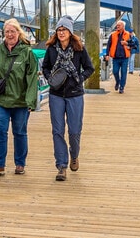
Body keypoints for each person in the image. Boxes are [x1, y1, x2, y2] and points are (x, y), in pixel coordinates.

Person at [0, 18, 39, 178]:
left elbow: (32, 78)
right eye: (7, 31)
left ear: (19, 33)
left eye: (13, 31)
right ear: (3, 34)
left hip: (20, 101)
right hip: (0, 100)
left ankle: (20, 163)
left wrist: (30, 100)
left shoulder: (27, 53)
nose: (10, 34)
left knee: (19, 132)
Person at [42, 16, 95, 182]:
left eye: (64, 29)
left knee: (74, 131)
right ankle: (61, 165)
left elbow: (89, 68)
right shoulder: (51, 49)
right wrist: (51, 77)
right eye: (59, 30)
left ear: (70, 32)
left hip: (75, 94)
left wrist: (79, 78)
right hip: (56, 94)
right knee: (57, 130)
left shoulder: (79, 49)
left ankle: (74, 155)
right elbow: (45, 67)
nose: (61, 32)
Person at [105, 20, 132, 93]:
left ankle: (122, 87)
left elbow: (132, 44)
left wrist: (127, 44)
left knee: (124, 73)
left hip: (124, 58)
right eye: (117, 25)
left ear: (123, 26)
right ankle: (118, 81)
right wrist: (107, 54)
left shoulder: (128, 34)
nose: (117, 27)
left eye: (119, 25)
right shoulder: (113, 35)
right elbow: (108, 45)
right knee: (115, 71)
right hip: (115, 58)